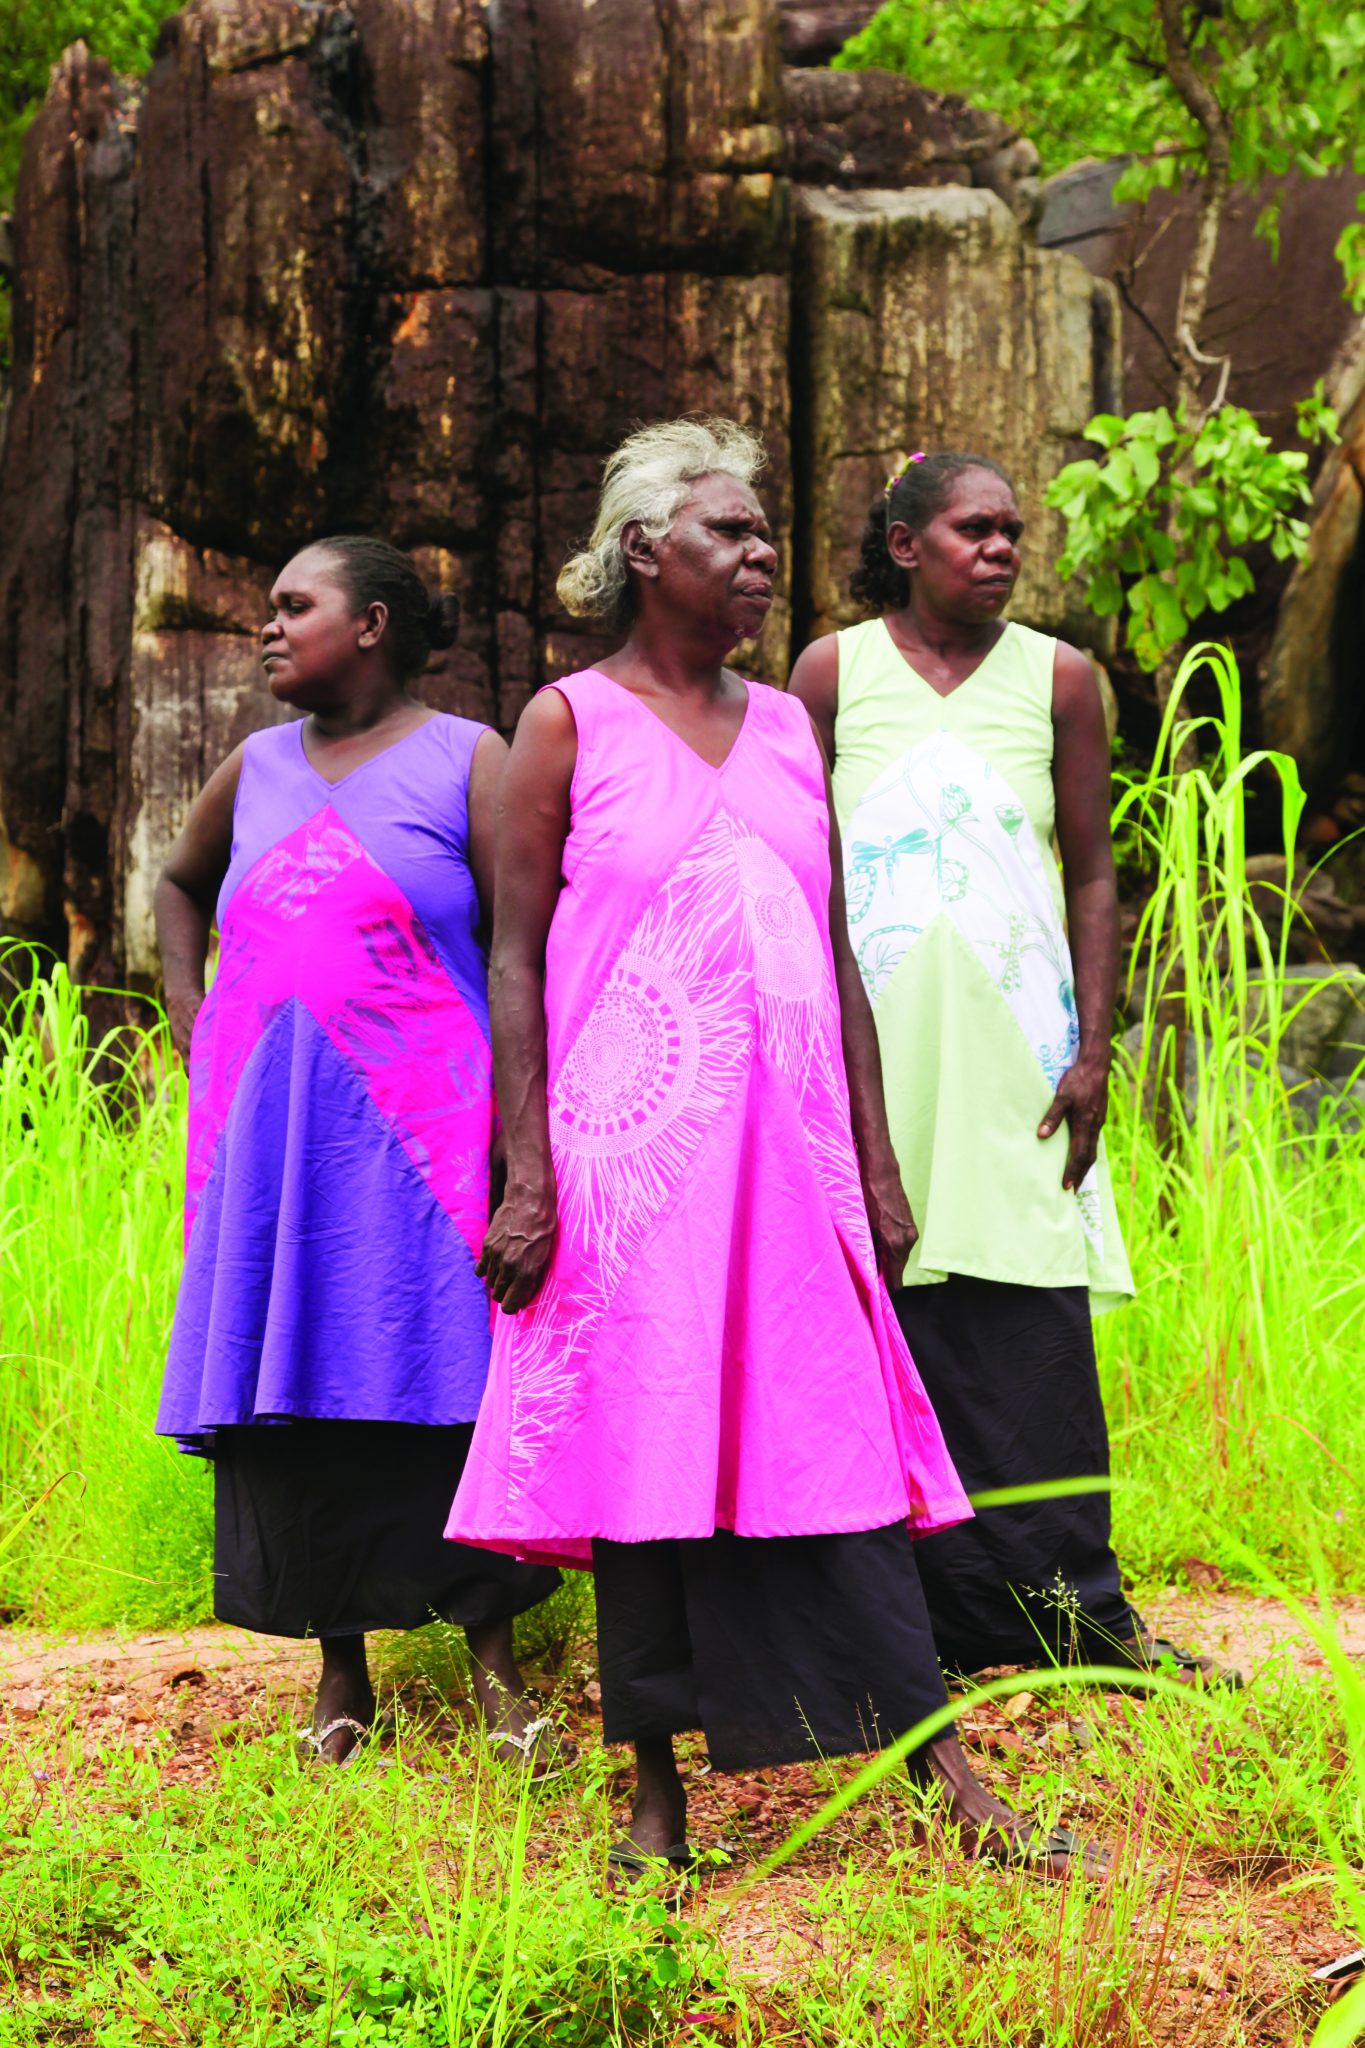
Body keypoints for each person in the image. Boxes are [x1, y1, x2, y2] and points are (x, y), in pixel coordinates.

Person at [445, 417, 1101, 1876]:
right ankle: (656, 1802)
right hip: (635, 1175)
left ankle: (946, 1779)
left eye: (760, 539)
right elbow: (513, 957)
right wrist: (531, 1169)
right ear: (641, 551)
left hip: (792, 1164)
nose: (758, 560)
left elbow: (832, 947)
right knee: (652, 1467)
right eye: (728, 537)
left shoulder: (793, 726)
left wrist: (873, 1162)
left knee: (838, 1447)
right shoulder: (567, 722)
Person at [790, 449, 1234, 1686]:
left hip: (1024, 1064)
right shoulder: (832, 672)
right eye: (975, 531)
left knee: (1031, 1336)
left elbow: (1093, 871)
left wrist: (1096, 1049)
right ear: (903, 544)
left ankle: (1085, 1621)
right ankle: (920, 1626)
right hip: (876, 1064)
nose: (1001, 550)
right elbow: (798, 868)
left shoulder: (1060, 677)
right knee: (900, 1320)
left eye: (1012, 533)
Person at [154, 536, 561, 1765]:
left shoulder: (470, 760)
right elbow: (179, 883)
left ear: (373, 622)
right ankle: (343, 1678)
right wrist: (195, 1024)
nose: (269, 628)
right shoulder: (254, 766)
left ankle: (497, 1677)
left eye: (295, 606)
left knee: (444, 1390)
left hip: (426, 1146)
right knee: (303, 1388)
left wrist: (520, 1141)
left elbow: (515, 946)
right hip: (273, 1149)